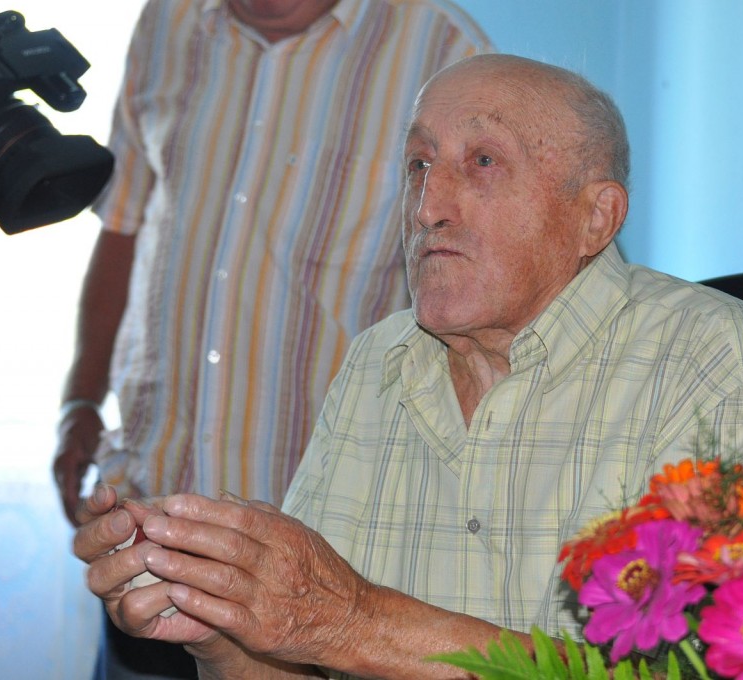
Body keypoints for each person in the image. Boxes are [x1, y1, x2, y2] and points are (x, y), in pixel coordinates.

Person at [74, 53, 743, 679]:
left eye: (482, 162)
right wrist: (218, 624)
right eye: (418, 165)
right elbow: (300, 652)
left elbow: (727, 667)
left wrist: (350, 621)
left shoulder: (706, 353)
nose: (428, 205)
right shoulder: (379, 361)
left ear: (595, 217)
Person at [34, 0, 490, 677]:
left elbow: (490, 297)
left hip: (324, 575)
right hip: (147, 535)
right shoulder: (167, 23)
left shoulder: (448, 52)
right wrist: (80, 400)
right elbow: (124, 225)